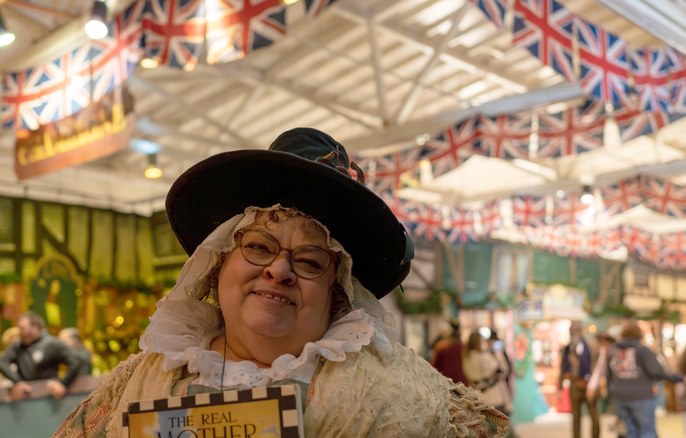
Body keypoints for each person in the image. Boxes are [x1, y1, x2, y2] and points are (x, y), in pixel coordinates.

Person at [54, 128, 514, 437]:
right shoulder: (142, 380)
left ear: (337, 291)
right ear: (218, 267)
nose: (279, 270)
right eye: (257, 247)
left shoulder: (405, 395)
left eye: (311, 260)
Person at [607, 320, 686, 438]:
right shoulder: (641, 350)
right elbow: (657, 372)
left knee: (629, 431)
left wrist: (610, 394)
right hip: (640, 395)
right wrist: (679, 378)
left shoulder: (613, 350)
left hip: (618, 395)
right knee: (647, 431)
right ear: (639, 335)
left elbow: (608, 375)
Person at [0, 311, 84, 401]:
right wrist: (17, 381)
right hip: (25, 398)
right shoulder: (18, 346)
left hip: (49, 397)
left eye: (23, 329)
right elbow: (1, 363)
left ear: (35, 328)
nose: (20, 332)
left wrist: (63, 383)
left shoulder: (51, 343)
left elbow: (76, 360)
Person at [559, 321, 600, 438]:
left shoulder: (592, 346)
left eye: (577, 330)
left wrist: (592, 381)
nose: (575, 333)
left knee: (594, 416)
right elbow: (563, 368)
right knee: (576, 416)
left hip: (589, 384)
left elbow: (597, 365)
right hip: (575, 384)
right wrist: (561, 387)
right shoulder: (567, 349)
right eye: (573, 331)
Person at [463, 331, 513, 415]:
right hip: (494, 397)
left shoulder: (466, 358)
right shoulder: (484, 357)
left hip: (477, 397)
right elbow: (503, 371)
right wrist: (499, 356)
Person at [430, 318, 470, 386]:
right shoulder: (463, 347)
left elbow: (433, 365)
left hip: (444, 383)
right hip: (461, 383)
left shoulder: (440, 346)